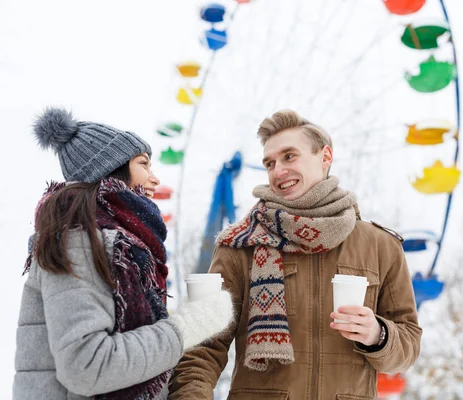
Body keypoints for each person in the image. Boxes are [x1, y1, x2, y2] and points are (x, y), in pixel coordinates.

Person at [169, 109, 422, 399]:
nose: (278, 171)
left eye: (289, 156)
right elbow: (202, 346)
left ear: (325, 156)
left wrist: (378, 334)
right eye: (269, 163)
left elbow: (408, 345)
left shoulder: (380, 246)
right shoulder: (240, 245)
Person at [13, 107, 233, 400]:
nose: (155, 179)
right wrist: (188, 326)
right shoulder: (79, 242)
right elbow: (87, 366)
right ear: (110, 169)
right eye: (144, 164)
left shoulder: (117, 246)